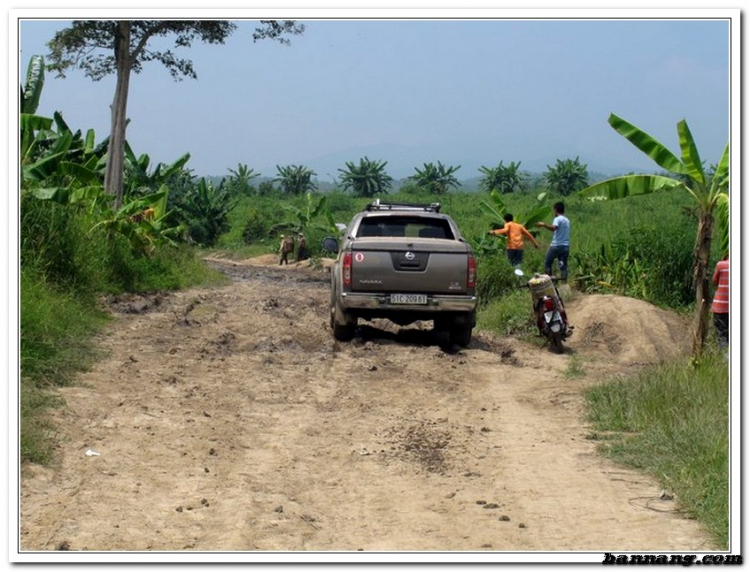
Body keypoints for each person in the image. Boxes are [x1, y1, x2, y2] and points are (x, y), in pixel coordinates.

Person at [536, 201, 571, 281]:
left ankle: (549, 283)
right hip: (565, 246)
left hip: (556, 246)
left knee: (548, 263)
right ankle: (564, 285)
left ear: (555, 210)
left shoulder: (557, 219)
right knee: (563, 266)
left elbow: (553, 228)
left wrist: (543, 224)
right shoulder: (567, 220)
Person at [711, 255, 729, 351]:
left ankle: (726, 361)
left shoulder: (721, 265)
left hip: (720, 306)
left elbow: (714, 281)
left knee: (721, 334)